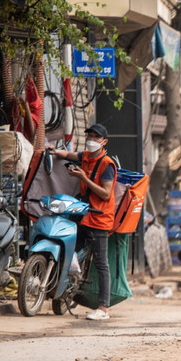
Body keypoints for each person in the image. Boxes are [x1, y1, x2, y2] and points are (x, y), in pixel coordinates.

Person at [52, 124, 115, 321]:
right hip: (82, 214)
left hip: (99, 217)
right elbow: (73, 156)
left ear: (104, 142)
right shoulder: (86, 155)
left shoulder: (107, 164)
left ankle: (103, 309)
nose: (92, 139)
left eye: (96, 137)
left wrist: (83, 178)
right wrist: (56, 152)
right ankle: (67, 287)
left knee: (101, 263)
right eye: (90, 135)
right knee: (69, 250)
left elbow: (105, 193)